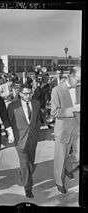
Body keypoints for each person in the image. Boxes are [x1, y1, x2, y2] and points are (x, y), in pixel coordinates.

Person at [7, 83, 41, 198]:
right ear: (20, 93)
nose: (28, 96)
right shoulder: (12, 106)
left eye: (30, 93)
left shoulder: (36, 104)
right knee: (25, 163)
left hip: (33, 138)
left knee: (31, 163)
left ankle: (23, 172)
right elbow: (8, 122)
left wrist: (36, 132)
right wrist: (11, 134)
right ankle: (28, 187)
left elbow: (37, 120)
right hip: (20, 139)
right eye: (25, 94)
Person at [51, 66, 81, 194]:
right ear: (70, 76)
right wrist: (73, 109)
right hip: (63, 130)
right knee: (60, 158)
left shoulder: (80, 88)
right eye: (78, 80)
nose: (79, 82)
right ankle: (59, 181)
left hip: (78, 128)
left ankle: (68, 169)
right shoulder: (57, 90)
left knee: (77, 156)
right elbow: (54, 112)